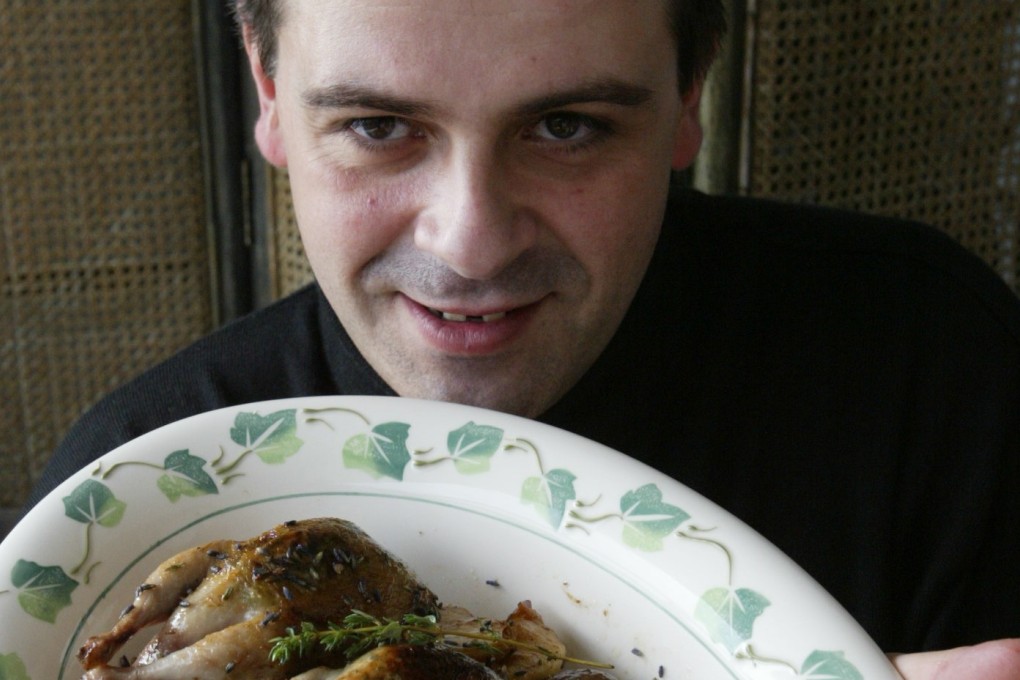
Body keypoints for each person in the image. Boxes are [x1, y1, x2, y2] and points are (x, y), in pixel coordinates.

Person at [23, 0, 1020, 676]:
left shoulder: (931, 366)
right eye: (379, 126)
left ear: (688, 96)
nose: (470, 243)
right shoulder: (135, 496)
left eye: (568, 126)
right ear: (270, 92)